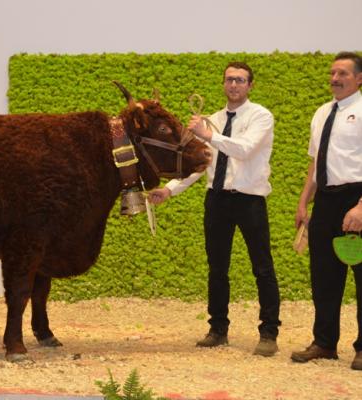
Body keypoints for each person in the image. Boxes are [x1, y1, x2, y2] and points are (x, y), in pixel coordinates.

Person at [149, 61, 281, 356]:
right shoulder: (210, 120)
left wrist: (208, 135)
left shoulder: (261, 116)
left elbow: (244, 150)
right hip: (217, 200)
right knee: (217, 268)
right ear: (223, 84)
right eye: (229, 80)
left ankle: (269, 332)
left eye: (240, 80)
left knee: (262, 267)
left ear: (250, 85)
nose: (234, 85)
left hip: (250, 200)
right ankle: (218, 329)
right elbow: (200, 165)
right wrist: (169, 190)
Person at [290, 51, 362, 371]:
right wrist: (305, 202)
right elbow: (314, 164)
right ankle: (324, 342)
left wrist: (361, 207)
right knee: (324, 276)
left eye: (343, 73)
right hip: (326, 202)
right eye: (333, 73)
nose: (335, 78)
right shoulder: (321, 113)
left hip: (357, 198)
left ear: (359, 78)